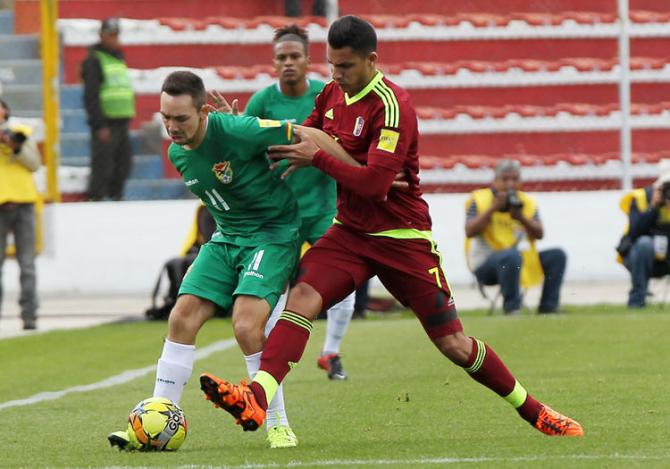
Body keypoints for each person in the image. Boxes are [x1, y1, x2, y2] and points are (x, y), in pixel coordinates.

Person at [198, 16, 583, 438]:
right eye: (331, 65)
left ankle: (534, 410)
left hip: (402, 237)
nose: (336, 75)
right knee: (301, 298)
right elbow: (301, 137)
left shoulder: (392, 104)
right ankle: (256, 398)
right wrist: (239, 132)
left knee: (453, 344)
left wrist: (324, 159)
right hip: (349, 233)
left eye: (345, 67)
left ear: (371, 60)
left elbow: (376, 185)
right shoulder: (330, 95)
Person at [108, 70, 341, 450]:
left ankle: (277, 424)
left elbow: (306, 135)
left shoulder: (238, 130)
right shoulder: (177, 152)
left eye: (181, 118)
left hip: (272, 233)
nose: (172, 127)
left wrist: (361, 168)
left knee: (246, 326)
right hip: (227, 236)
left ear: (203, 112)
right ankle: (153, 421)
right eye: (166, 118)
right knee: (181, 317)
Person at [243, 24, 354, 382]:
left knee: (344, 283)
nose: (288, 63)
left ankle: (331, 352)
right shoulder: (261, 102)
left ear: (308, 60)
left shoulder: (327, 94)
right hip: (280, 214)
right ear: (273, 64)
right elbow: (245, 149)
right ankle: (273, 362)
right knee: (277, 293)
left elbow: (346, 142)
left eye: (295, 56)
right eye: (282, 58)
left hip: (324, 211)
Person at [464, 160, 567, 315]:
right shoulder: (479, 199)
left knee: (557, 255)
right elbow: (469, 231)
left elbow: (539, 234)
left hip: (522, 259)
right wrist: (493, 208)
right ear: (495, 181)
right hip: (487, 264)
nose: (510, 184)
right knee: (511, 256)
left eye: (515, 179)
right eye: (505, 179)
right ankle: (512, 308)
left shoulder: (526, 202)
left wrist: (520, 217)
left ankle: (549, 307)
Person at [81, 17, 135, 201]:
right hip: (106, 123)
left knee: (123, 165)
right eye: (110, 35)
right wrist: (99, 125)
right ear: (102, 36)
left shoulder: (118, 58)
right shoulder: (93, 60)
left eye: (116, 35)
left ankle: (116, 198)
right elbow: (91, 96)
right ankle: (95, 199)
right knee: (103, 167)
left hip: (121, 121)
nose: (114, 39)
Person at [0, 98, 41, 331]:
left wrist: (14, 146)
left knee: (27, 264)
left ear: (6, 110)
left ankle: (29, 314)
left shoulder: (21, 132)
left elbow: (34, 164)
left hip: (23, 202)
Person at [617, 161, 670, 308]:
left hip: (666, 258)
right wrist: (653, 206)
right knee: (644, 243)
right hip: (637, 256)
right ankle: (637, 301)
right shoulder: (640, 197)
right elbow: (634, 232)